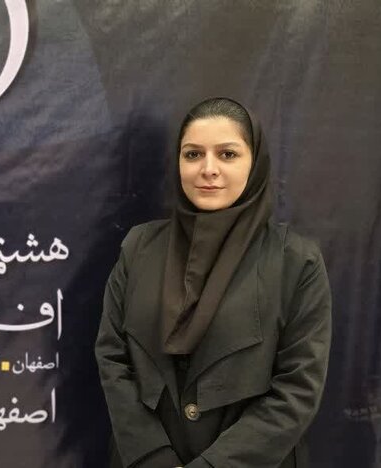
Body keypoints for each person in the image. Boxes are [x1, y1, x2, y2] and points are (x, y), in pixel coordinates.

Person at [95, 97, 332, 468]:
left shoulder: (296, 261)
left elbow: (298, 388)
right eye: (193, 154)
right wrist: (153, 457)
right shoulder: (139, 247)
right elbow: (113, 357)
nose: (208, 169)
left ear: (255, 163)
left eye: (227, 154)